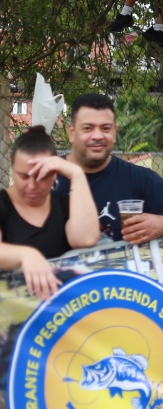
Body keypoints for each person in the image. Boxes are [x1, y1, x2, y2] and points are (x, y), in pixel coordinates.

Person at [56, 94, 163, 244]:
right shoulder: (48, 177)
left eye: (105, 128)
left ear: (115, 132)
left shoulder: (137, 177)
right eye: (87, 128)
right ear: (72, 132)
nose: (97, 136)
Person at [1, 127, 99, 299]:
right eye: (23, 176)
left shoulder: (65, 205)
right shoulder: (3, 204)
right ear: (12, 164)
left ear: (55, 172)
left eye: (41, 176)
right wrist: (26, 254)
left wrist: (76, 174)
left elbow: (86, 239)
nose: (31, 186)